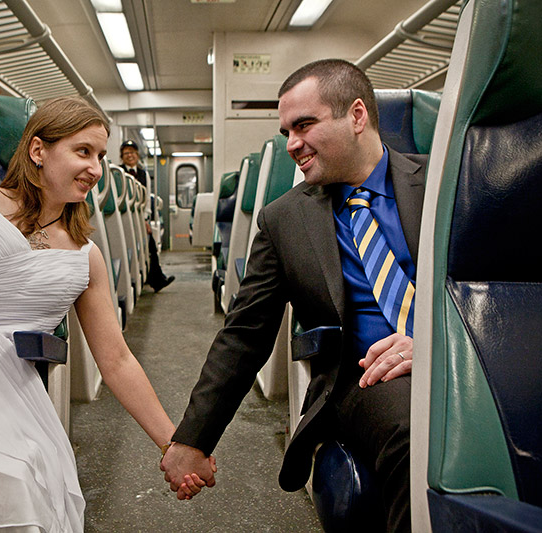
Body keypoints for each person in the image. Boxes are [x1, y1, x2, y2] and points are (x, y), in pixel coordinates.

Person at [161, 59, 425, 533]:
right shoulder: (283, 219)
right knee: (418, 428)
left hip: (456, 358)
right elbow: (244, 334)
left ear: (357, 115)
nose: (291, 144)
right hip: (366, 378)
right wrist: (193, 440)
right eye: (286, 131)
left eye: (304, 125)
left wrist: (434, 344)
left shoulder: (445, 181)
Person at [0, 96, 209, 533]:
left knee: (25, 478)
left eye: (100, 156)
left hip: (10, 389)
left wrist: (172, 444)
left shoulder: (87, 256)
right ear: (38, 150)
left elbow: (116, 360)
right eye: (83, 151)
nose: (96, 168)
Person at [119, 139, 175, 292]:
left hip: (140, 218)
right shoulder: (118, 173)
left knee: (150, 245)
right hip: (124, 217)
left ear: (137, 155)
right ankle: (153, 279)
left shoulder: (143, 174)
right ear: (122, 157)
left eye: (132, 152)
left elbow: (146, 199)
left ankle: (156, 279)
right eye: (126, 153)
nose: (129, 155)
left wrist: (145, 219)